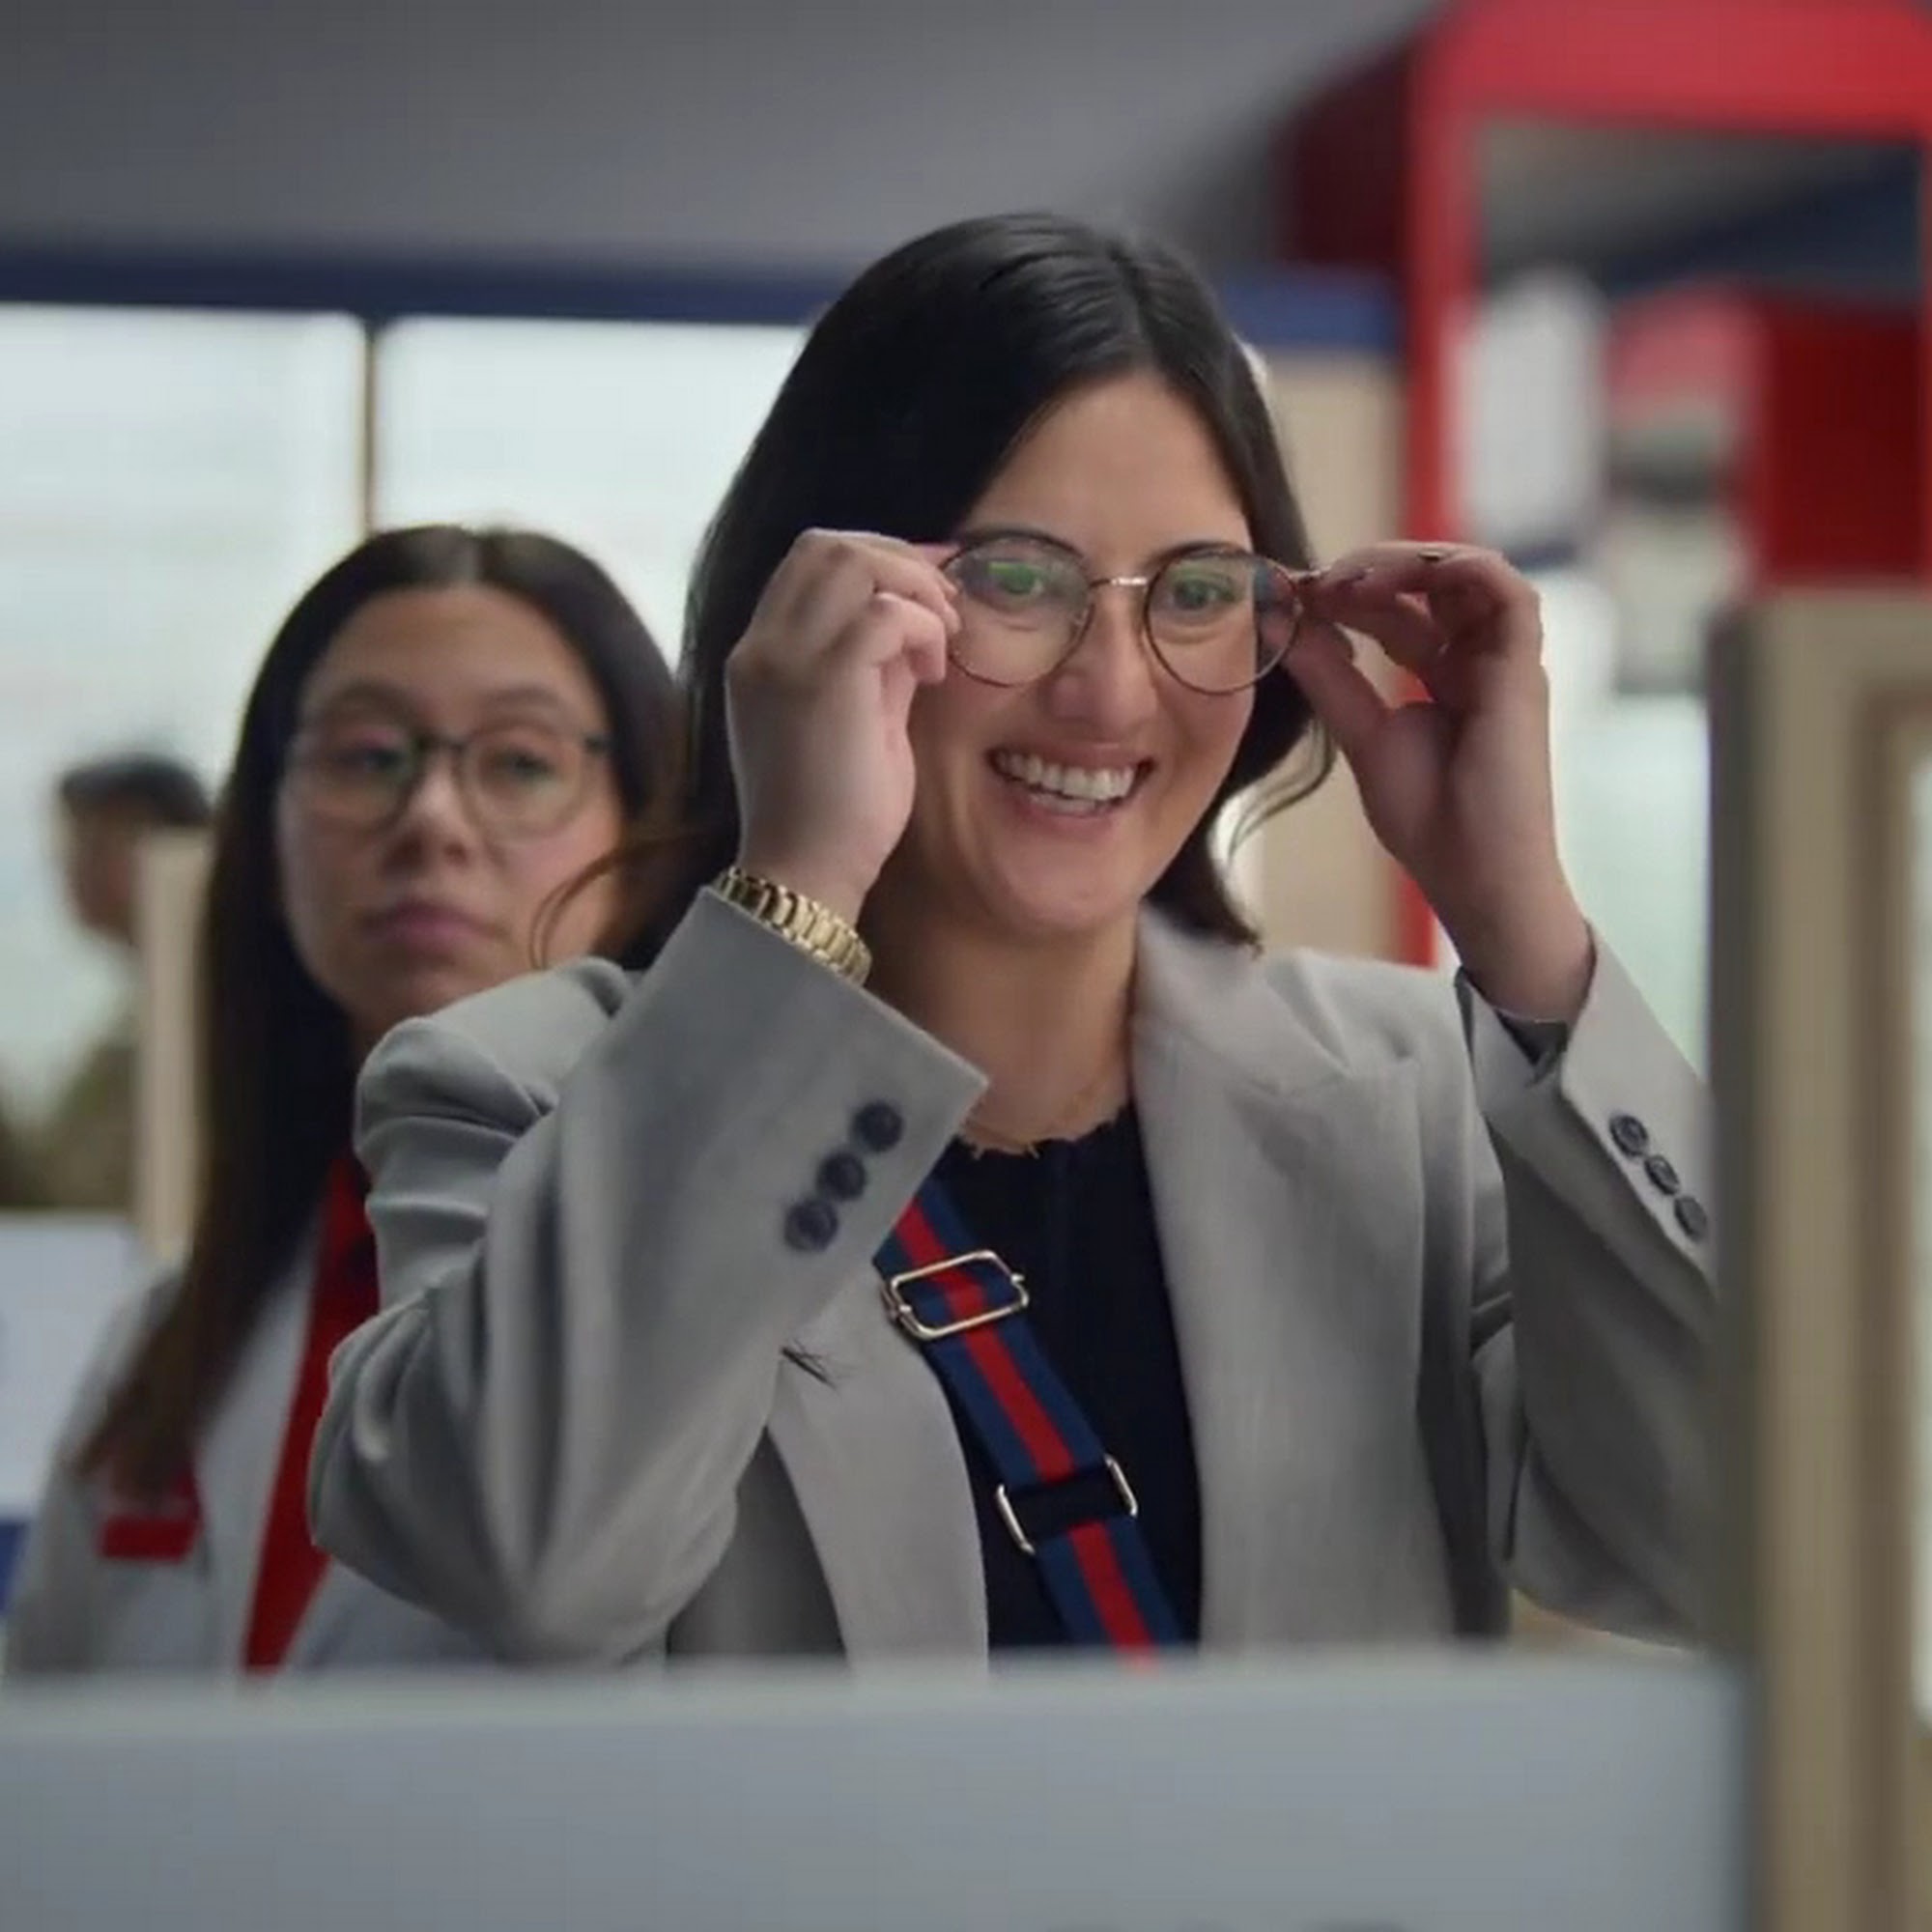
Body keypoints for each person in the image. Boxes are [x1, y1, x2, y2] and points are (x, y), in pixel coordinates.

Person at [310, 214, 1714, 1666]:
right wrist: (796, 887)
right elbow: (532, 1566)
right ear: (813, 608)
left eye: (1196, 592)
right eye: (1016, 581)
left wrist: (1521, 927)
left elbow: (1722, 1542)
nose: (1110, 693)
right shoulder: (516, 1087)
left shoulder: (1412, 1093)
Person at [4, 525, 679, 1672]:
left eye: (520, 762)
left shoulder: (724, 1319)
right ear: (265, 830)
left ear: (643, 835)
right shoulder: (166, 1342)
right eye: (365, 756)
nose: (432, 820)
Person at [37, 753, 213, 1212]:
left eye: (99, 844)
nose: (76, 869)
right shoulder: (137, 1016)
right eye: (73, 846)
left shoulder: (219, 1008)